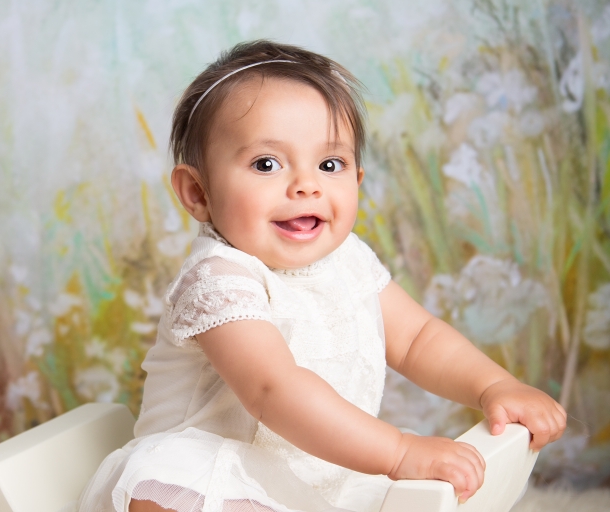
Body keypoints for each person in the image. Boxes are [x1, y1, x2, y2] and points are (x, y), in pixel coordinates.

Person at [78, 40, 566, 512]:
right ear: (198, 193)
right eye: (266, 164)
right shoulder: (219, 279)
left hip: (314, 473)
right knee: (176, 489)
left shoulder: (347, 259)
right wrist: (398, 452)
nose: (306, 185)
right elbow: (274, 390)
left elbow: (418, 339)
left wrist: (494, 387)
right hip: (215, 472)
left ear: (356, 180)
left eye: (330, 164)